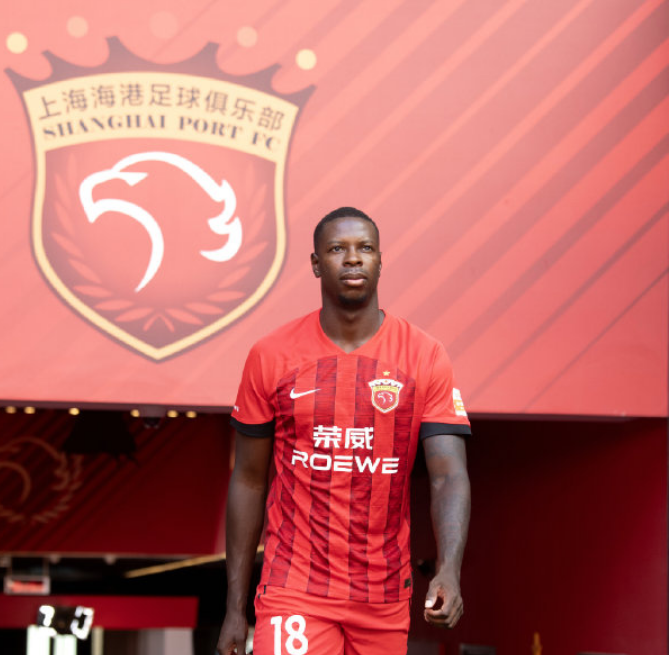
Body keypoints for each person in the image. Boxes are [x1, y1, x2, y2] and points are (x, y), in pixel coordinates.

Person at [217, 207, 471, 655]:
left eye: (365, 248)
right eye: (337, 249)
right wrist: (234, 609)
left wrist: (449, 569)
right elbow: (249, 480)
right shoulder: (271, 355)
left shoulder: (425, 356)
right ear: (316, 264)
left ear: (380, 261)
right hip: (294, 588)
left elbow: (448, 475)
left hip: (384, 595)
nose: (353, 258)